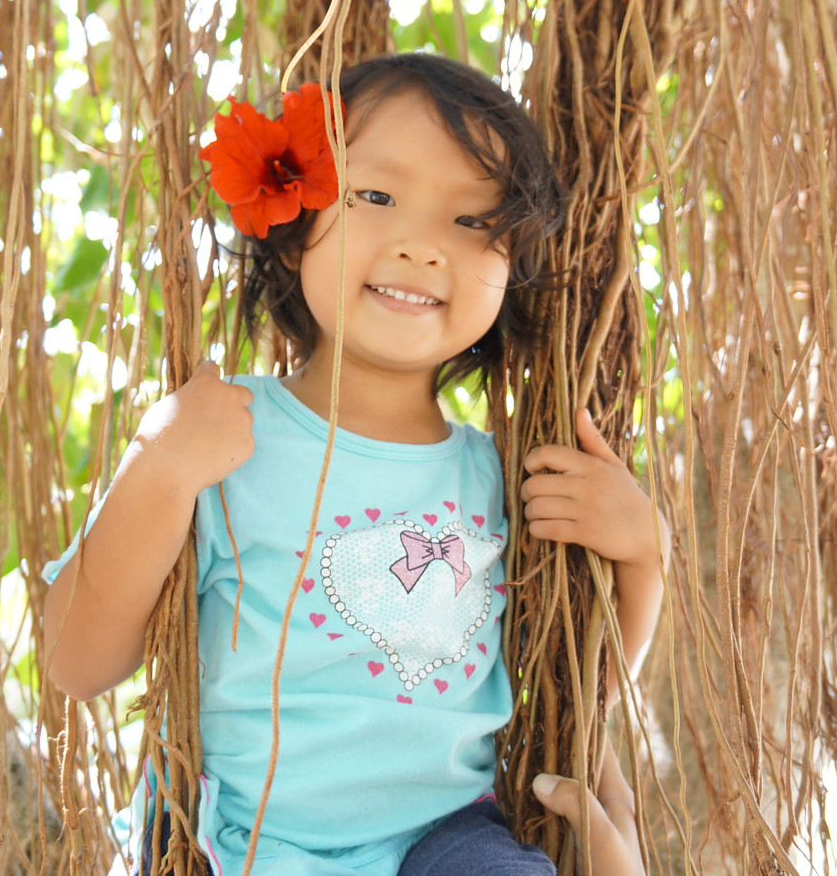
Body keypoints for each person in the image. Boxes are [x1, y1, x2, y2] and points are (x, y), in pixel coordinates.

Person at [42, 54, 670, 876]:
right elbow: (77, 661)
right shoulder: (218, 434)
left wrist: (643, 554)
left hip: (447, 842)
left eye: (472, 220)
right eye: (375, 197)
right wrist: (159, 470)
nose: (421, 246)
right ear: (293, 222)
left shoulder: (500, 478)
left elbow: (579, 683)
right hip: (231, 839)